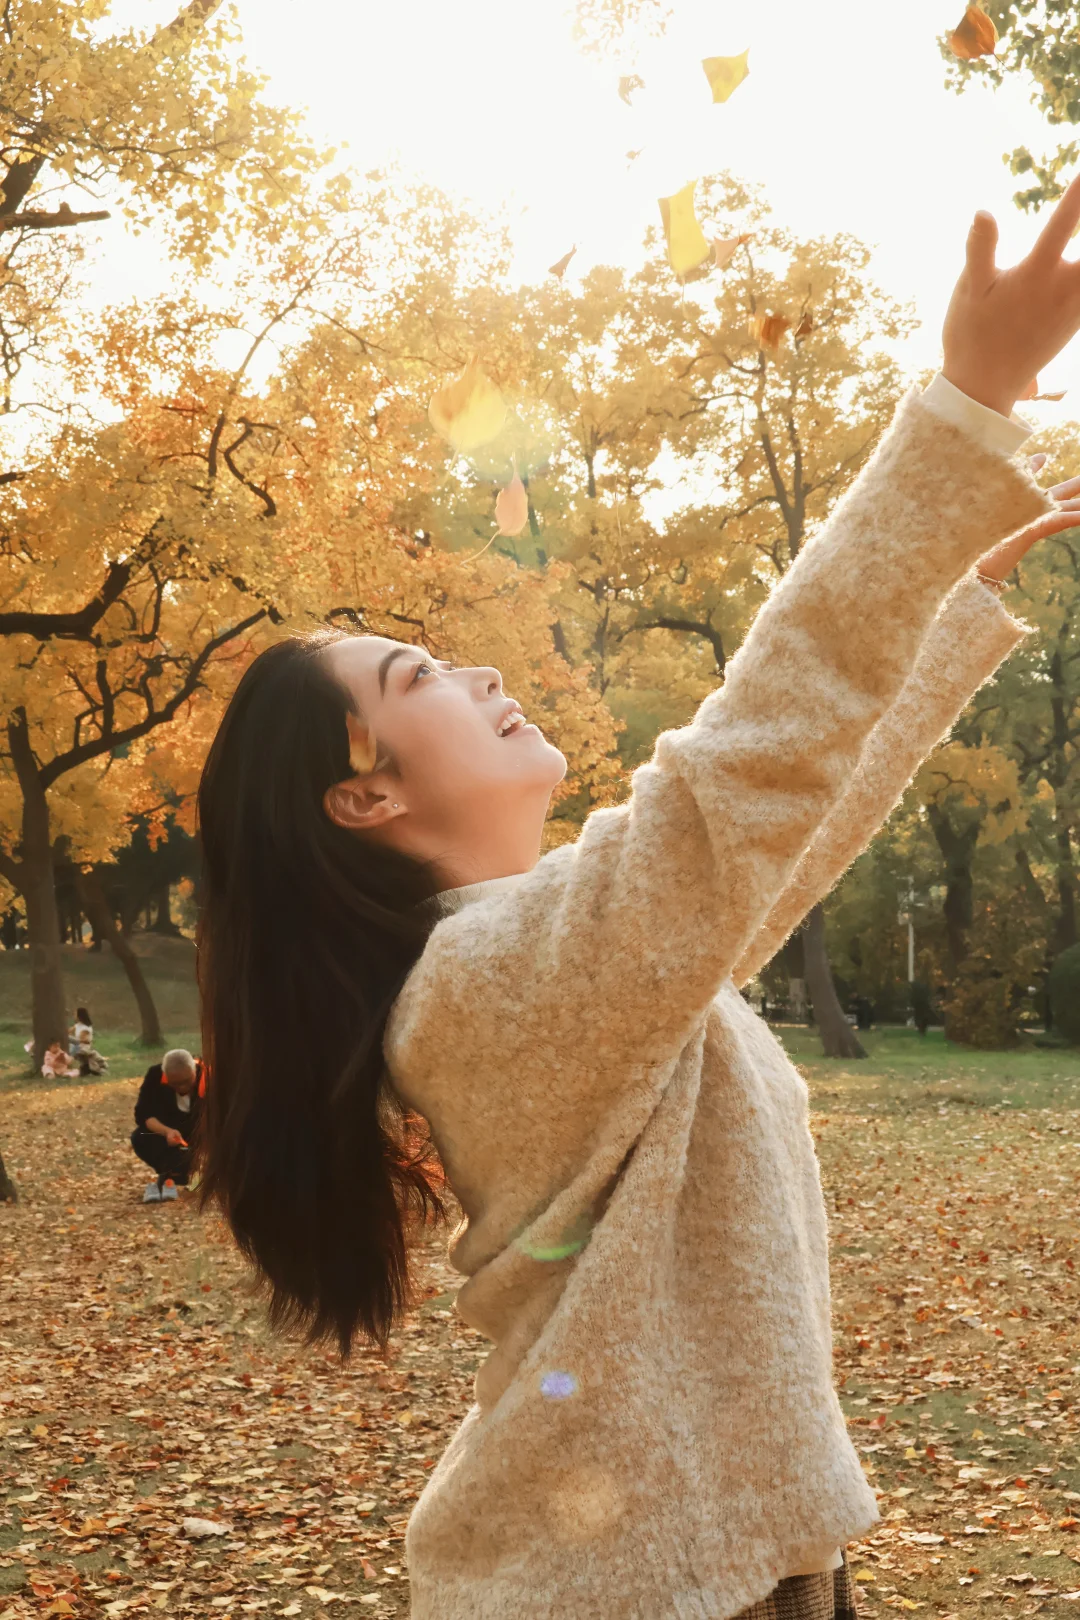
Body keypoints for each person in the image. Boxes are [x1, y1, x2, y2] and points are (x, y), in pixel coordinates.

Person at [194, 184, 1080, 1620]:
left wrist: (947, 600)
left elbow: (774, 842)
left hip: (716, 1561)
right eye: (421, 681)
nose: (481, 676)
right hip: (639, 1581)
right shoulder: (489, 991)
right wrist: (962, 415)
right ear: (361, 799)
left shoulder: (556, 959)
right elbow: (738, 782)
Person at [131, 1049, 206, 1204]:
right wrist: (167, 1132)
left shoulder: (208, 1077)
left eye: (186, 1081)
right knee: (140, 1137)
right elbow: (143, 1114)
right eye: (175, 1084)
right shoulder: (155, 1076)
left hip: (202, 1132)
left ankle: (191, 1174)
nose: (181, 1087)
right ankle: (170, 1176)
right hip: (169, 1134)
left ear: (194, 1071)